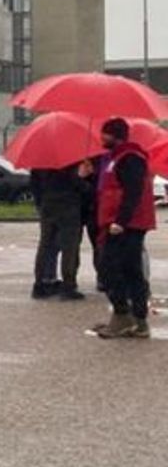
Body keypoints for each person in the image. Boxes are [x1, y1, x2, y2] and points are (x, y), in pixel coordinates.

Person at [92, 119, 153, 339]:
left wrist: (121, 220)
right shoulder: (116, 158)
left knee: (112, 269)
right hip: (117, 222)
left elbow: (133, 192)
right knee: (125, 269)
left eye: (104, 134)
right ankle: (133, 319)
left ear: (115, 135)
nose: (101, 138)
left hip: (126, 224)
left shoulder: (130, 158)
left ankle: (125, 316)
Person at [30, 161, 91, 301]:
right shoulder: (68, 160)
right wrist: (86, 182)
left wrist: (40, 202)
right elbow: (76, 183)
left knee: (45, 245)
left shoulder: (40, 160)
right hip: (68, 206)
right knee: (69, 247)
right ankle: (68, 286)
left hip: (47, 205)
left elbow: (34, 184)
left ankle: (39, 284)